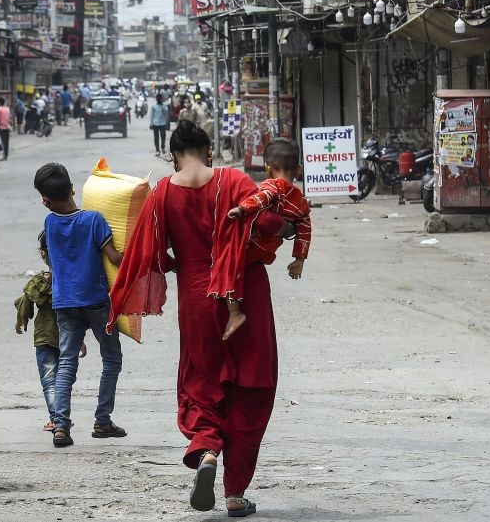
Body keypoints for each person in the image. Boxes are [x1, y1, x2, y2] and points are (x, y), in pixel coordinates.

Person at [107, 120, 290, 516]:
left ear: (173, 156)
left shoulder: (162, 194)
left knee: (201, 379)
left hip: (196, 298)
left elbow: (149, 254)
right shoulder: (236, 181)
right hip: (246, 292)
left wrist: (181, 264)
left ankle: (206, 448)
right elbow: (274, 223)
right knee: (252, 384)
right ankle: (235, 493)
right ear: (208, 151)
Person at [33, 163, 126, 448]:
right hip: (97, 300)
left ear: (45, 201)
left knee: (67, 363)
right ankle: (102, 420)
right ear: (73, 189)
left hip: (65, 304)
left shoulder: (49, 223)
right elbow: (114, 258)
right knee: (111, 359)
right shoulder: (94, 220)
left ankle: (61, 426)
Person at [223, 138, 311, 340]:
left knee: (228, 268)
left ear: (267, 168)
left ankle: (234, 312)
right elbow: (305, 232)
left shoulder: (272, 186)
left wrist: (241, 208)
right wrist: (299, 260)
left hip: (251, 244)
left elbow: (260, 199)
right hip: (268, 249)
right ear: (298, 170)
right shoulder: (302, 202)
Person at [14, 232, 87, 433]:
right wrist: (80, 339)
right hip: (67, 337)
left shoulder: (38, 282)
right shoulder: (70, 281)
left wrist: (21, 321)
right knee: (65, 377)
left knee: (49, 380)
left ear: (44, 255)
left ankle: (56, 418)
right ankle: (61, 416)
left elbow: (25, 303)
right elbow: (77, 314)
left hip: (44, 338)